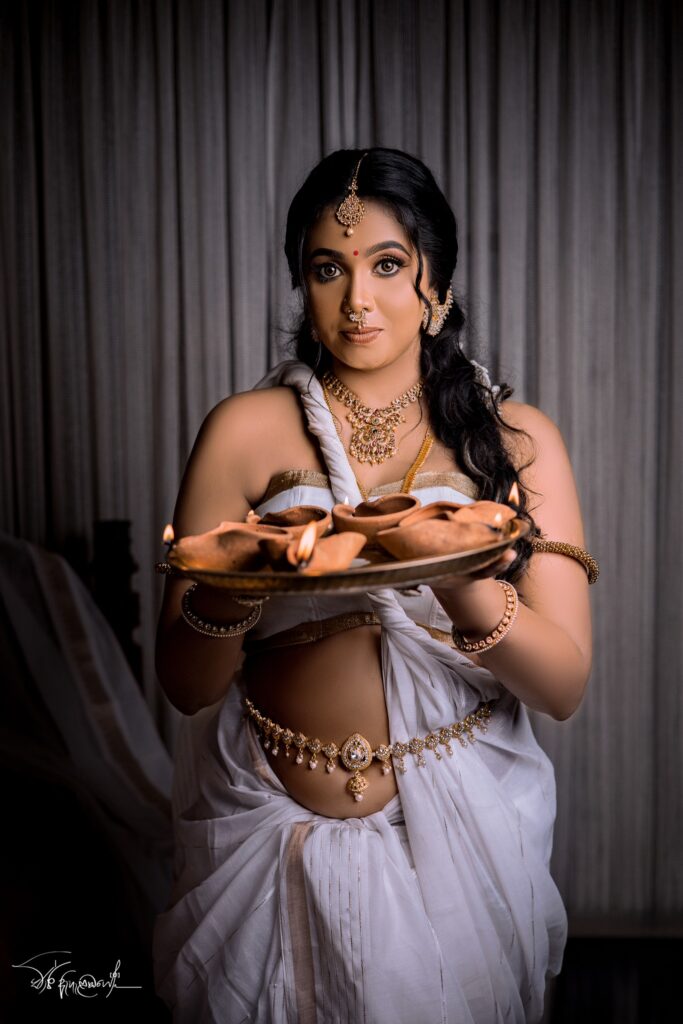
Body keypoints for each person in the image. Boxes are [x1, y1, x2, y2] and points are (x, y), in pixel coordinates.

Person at [152, 148, 596, 1023]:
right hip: (267, 838)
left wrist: (456, 576)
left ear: (438, 285)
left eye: (387, 265)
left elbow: (563, 687)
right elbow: (184, 686)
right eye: (328, 269)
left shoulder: (515, 440)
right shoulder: (243, 431)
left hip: (460, 843)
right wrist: (239, 585)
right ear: (302, 283)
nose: (357, 299)